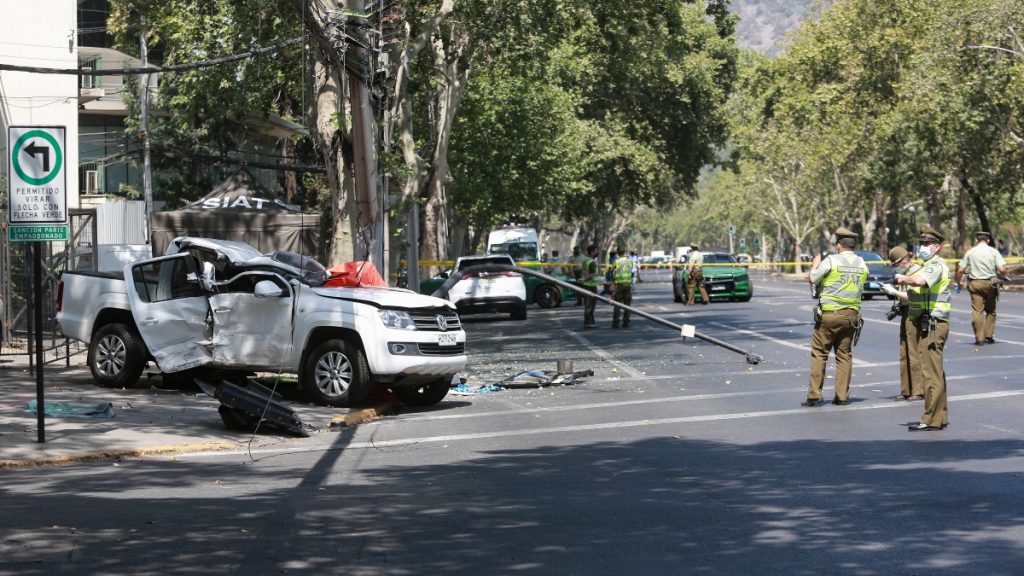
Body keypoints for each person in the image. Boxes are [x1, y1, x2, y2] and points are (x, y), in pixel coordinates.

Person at [802, 227, 868, 407]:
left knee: (820, 354)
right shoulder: (861, 263)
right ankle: (842, 396)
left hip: (830, 316)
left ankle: (814, 394)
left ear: (838, 245)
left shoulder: (831, 260)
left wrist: (815, 263)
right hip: (851, 317)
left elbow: (814, 278)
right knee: (844, 355)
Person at [894, 225, 952, 431]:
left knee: (930, 374)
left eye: (928, 244)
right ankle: (940, 416)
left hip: (934, 325)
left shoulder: (935, 265)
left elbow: (919, 280)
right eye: (922, 244)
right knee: (936, 373)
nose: (923, 247)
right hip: (932, 323)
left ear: (938, 247)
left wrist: (903, 278)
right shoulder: (932, 264)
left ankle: (930, 419)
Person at [881, 246, 924, 401]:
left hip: (915, 312)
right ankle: (906, 389)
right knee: (904, 351)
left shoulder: (916, 271)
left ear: (903, 261)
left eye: (896, 264)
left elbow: (913, 295)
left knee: (913, 351)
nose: (895, 268)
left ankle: (918, 390)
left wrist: (894, 292)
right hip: (906, 312)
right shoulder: (906, 272)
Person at [955, 231, 1007, 345]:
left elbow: (960, 270)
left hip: (975, 284)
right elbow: (1002, 269)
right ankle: (989, 336)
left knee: (977, 311)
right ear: (988, 240)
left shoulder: (970, 252)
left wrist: (958, 283)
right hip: (990, 284)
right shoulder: (993, 251)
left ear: (977, 240)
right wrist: (1005, 275)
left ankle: (979, 338)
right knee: (991, 311)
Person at [612, 248, 634, 328]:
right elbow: (631, 272)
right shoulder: (630, 261)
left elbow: (612, 273)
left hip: (619, 285)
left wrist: (613, 285)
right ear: (624, 252)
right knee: (627, 304)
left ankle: (616, 322)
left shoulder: (616, 261)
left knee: (617, 304)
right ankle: (626, 321)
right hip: (627, 285)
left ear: (618, 253)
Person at [581, 245, 600, 328]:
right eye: (596, 251)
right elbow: (591, 275)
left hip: (587, 285)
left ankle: (591, 322)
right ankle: (588, 323)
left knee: (588, 305)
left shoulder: (586, 261)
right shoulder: (592, 262)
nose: (597, 252)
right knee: (590, 305)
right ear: (592, 252)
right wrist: (584, 279)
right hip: (591, 286)